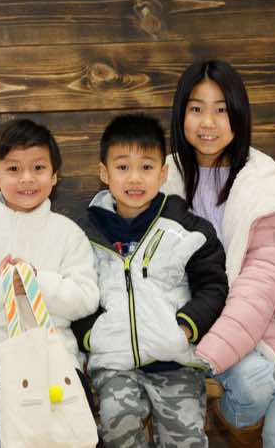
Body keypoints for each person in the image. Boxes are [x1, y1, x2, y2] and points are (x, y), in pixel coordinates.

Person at [164, 60, 275, 446]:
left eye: (221, 110)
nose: (208, 122)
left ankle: (235, 412)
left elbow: (259, 290)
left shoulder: (267, 190)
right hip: (188, 326)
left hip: (269, 331)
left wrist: (205, 356)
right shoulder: (160, 179)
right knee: (254, 380)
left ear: (239, 115)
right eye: (196, 108)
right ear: (180, 114)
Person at [72, 114, 228, 447]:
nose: (135, 178)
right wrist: (92, 335)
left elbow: (213, 287)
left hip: (175, 362)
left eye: (146, 167)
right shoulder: (85, 235)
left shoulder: (187, 230)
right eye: (122, 167)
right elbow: (77, 291)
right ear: (104, 173)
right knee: (118, 426)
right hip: (114, 364)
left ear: (163, 173)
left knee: (185, 440)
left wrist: (186, 327)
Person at [0, 119, 99, 447]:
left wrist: (37, 282)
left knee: (74, 436)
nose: (27, 178)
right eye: (13, 169)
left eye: (38, 168)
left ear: (54, 176)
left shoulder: (68, 234)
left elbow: (86, 299)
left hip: (58, 363)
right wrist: (0, 286)